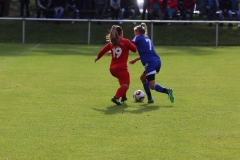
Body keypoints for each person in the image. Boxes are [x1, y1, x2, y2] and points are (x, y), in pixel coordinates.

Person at [130, 23, 174, 104]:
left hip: (150, 63)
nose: (134, 34)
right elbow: (147, 53)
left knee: (152, 85)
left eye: (134, 32)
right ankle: (150, 99)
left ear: (137, 32)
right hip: (157, 61)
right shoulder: (147, 38)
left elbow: (130, 45)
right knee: (143, 78)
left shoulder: (137, 37)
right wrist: (135, 59)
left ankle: (167, 91)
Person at [95, 25, 137, 105]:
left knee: (123, 83)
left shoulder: (112, 43)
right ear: (121, 33)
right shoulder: (126, 41)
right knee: (126, 85)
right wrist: (135, 43)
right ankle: (116, 97)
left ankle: (123, 97)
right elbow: (134, 50)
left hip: (112, 69)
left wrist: (97, 57)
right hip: (121, 68)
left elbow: (103, 50)